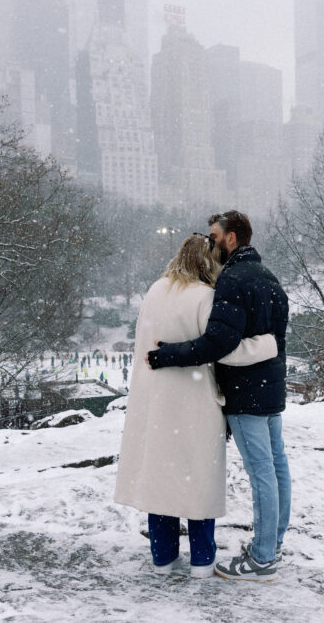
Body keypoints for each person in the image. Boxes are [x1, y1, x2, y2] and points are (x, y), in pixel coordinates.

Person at [114, 234, 278, 579]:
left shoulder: (155, 291)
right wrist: (265, 345)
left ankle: (163, 558)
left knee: (162, 483)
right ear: (209, 262)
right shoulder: (206, 297)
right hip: (195, 404)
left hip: (154, 404)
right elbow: (220, 348)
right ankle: (202, 560)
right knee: (197, 481)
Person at [147, 210, 290, 583]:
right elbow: (276, 339)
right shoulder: (269, 277)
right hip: (271, 391)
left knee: (262, 472)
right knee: (276, 467)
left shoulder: (231, 279)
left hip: (247, 394)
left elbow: (218, 344)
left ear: (230, 239)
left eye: (213, 236)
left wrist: (168, 355)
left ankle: (261, 559)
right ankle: (271, 547)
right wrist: (268, 348)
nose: (210, 243)